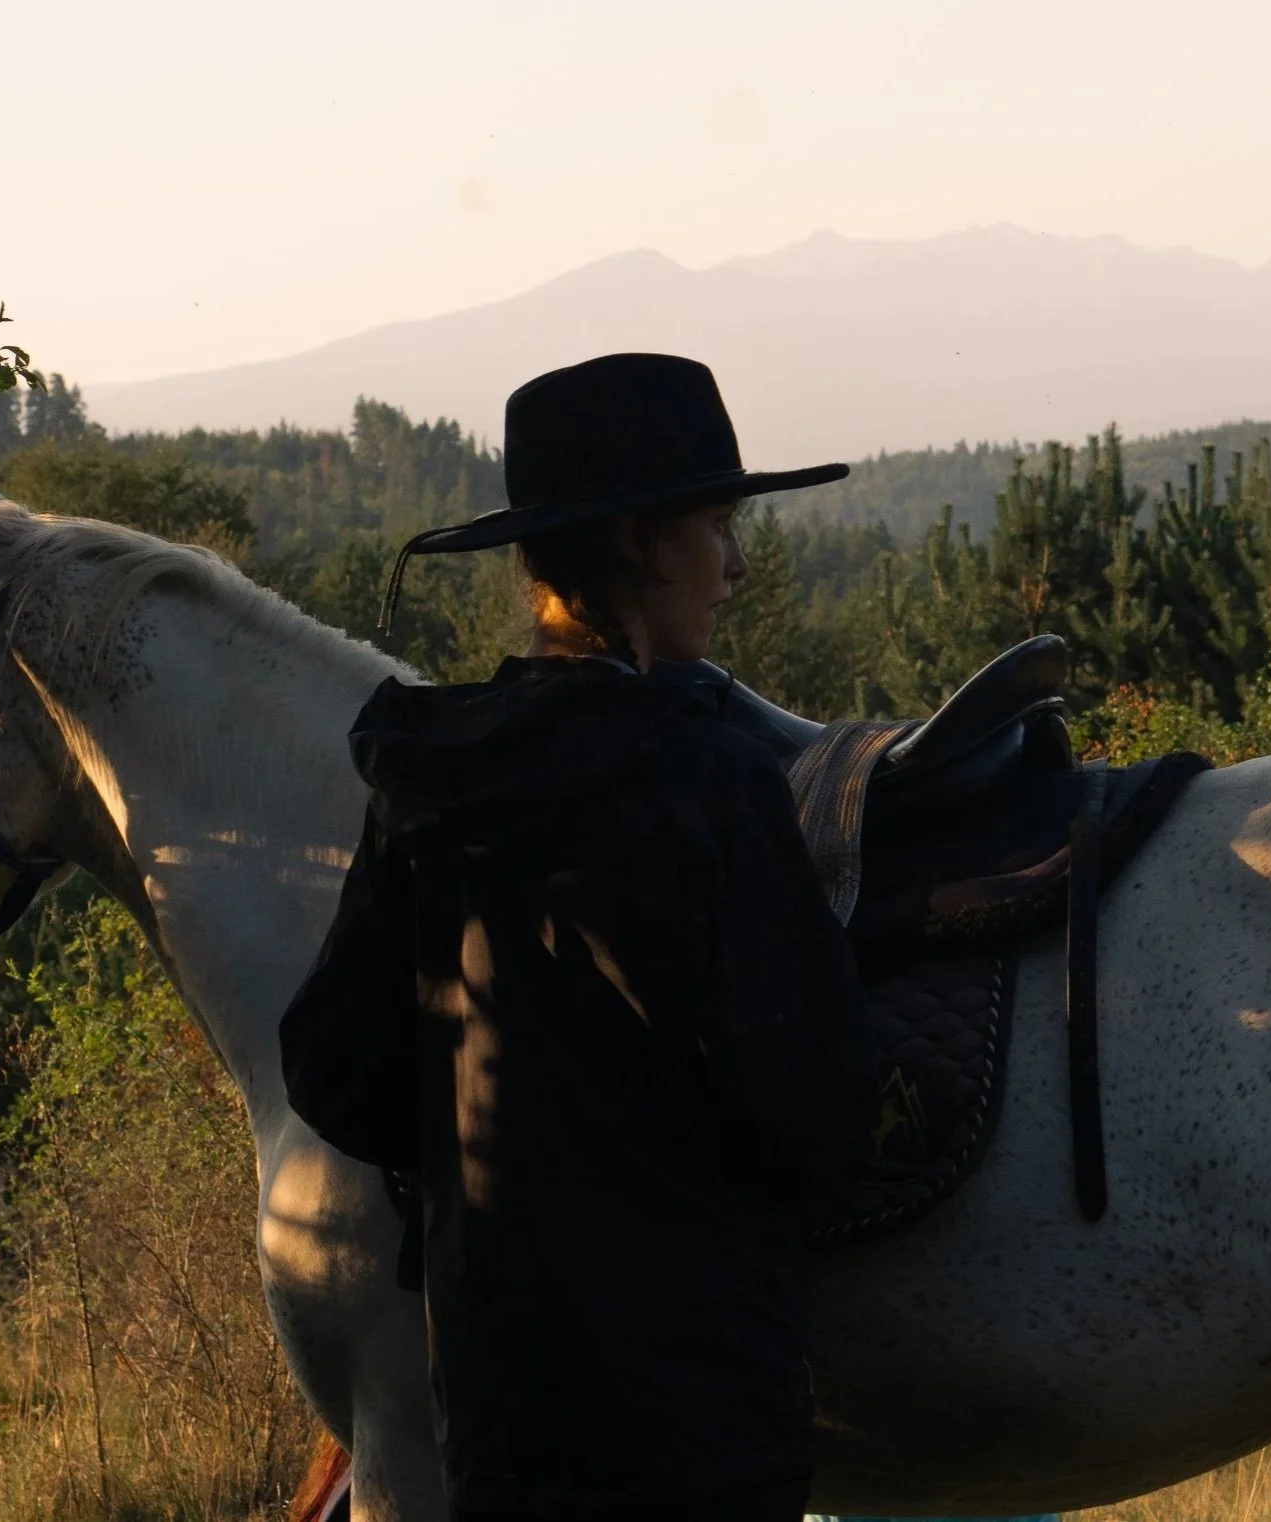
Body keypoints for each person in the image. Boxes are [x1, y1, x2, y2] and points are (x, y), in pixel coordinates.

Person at [280, 353, 877, 1522]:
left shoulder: (427, 784)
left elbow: (334, 1070)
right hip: (702, 1414)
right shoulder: (709, 781)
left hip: (500, 1406)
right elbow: (815, 1108)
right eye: (718, 526)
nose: (737, 566)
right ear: (641, 543)